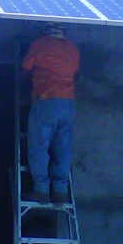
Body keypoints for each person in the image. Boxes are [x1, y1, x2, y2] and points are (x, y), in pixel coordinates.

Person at [21, 22, 80, 204]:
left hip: (47, 100)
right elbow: (75, 74)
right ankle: (60, 191)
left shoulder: (40, 44)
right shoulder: (72, 48)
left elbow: (24, 70)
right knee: (62, 148)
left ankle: (41, 189)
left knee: (39, 146)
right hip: (68, 102)